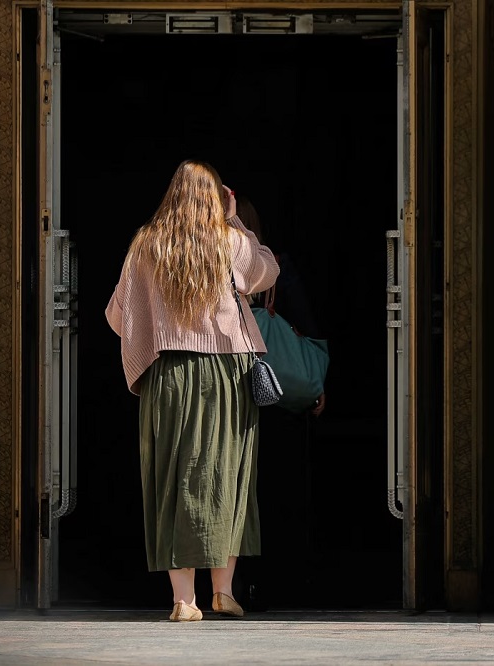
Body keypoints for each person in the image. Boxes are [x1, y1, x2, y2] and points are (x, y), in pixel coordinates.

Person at [105, 160, 280, 622]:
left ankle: (184, 601)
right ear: (218, 198)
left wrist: (161, 324)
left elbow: (117, 315)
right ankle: (223, 591)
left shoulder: (146, 244)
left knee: (173, 479)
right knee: (229, 477)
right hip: (229, 376)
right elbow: (268, 272)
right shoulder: (231, 241)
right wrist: (235, 219)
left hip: (170, 375)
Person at [235, 194, 326, 417]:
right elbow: (304, 323)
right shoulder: (275, 266)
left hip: (234, 383)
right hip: (277, 387)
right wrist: (315, 380)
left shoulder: (215, 273)